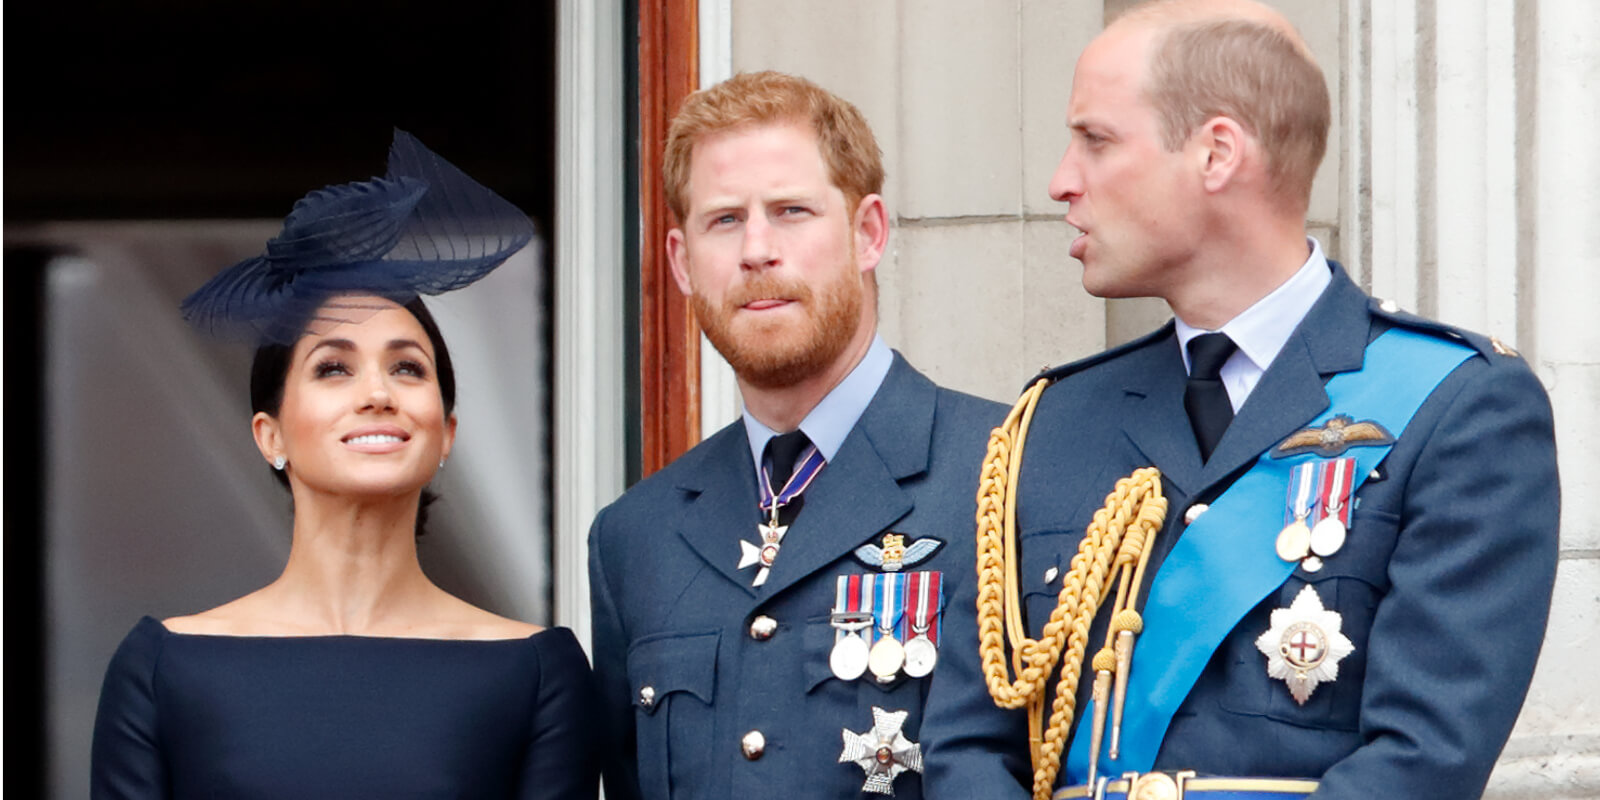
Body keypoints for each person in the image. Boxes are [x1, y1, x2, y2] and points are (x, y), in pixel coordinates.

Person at [924, 2, 1560, 799]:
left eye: (1096, 140)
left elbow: (1421, 762)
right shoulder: (1052, 423)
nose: (1062, 181)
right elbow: (965, 748)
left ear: (1216, 153)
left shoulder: (1456, 408)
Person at [90, 130, 599, 799]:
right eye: (333, 367)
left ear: (445, 433)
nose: (378, 394)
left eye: (407, 368)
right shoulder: (164, 667)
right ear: (270, 436)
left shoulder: (535, 671)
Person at [587, 71, 1006, 799]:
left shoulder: (1005, 470)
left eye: (790, 211)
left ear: (867, 232)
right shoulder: (634, 537)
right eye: (724, 220)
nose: (756, 249)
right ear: (683, 264)